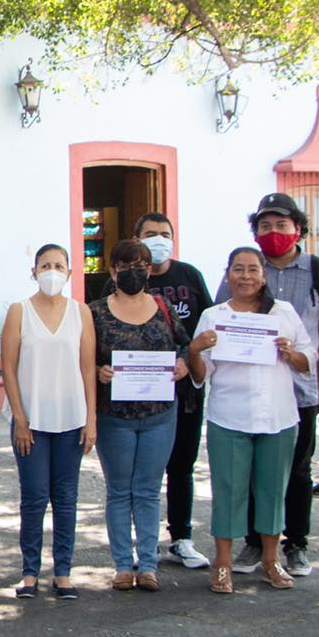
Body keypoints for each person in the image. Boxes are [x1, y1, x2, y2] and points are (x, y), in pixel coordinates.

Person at [215, 193, 319, 577]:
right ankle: (255, 544)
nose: (273, 232)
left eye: (281, 225)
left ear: (297, 229)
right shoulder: (246, 268)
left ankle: (295, 544)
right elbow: (222, 319)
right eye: (265, 226)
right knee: (252, 472)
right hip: (248, 391)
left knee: (296, 472)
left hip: (298, 393)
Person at [188, 247, 315, 594]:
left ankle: (272, 561)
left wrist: (292, 354)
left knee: (273, 491)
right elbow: (201, 374)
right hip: (229, 416)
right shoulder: (214, 316)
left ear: (264, 275)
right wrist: (195, 349)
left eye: (253, 269)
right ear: (228, 274)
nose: (246, 276)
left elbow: (309, 360)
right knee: (229, 491)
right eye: (238, 269)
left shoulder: (283, 312)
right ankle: (223, 564)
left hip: (278, 417)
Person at [106, 212, 214, 569]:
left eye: (164, 234)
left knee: (180, 468)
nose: (158, 239)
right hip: (122, 408)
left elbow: (199, 331)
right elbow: (93, 348)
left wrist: (187, 361)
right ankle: (133, 551)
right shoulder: (110, 294)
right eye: (150, 234)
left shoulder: (188, 279)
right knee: (129, 482)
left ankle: (180, 538)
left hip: (177, 399)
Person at [90, 238, 190, 592]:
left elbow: (185, 345)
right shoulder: (96, 311)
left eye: (140, 265)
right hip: (114, 415)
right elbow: (85, 358)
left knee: (147, 490)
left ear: (149, 270)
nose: (133, 271)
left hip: (160, 414)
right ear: (113, 270)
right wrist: (98, 371)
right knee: (119, 490)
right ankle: (121, 564)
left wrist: (182, 365)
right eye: (125, 265)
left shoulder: (163, 307)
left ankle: (147, 564)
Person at [0, 244, 96, 600]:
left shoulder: (80, 313)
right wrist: (21, 418)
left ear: (70, 272)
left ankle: (64, 571)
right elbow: (8, 367)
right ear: (34, 271)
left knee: (66, 497)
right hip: (32, 421)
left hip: (71, 419)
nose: (51, 271)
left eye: (58, 265)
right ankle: (29, 571)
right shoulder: (19, 312)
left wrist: (91, 419)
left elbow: (88, 368)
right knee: (34, 497)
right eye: (45, 265)